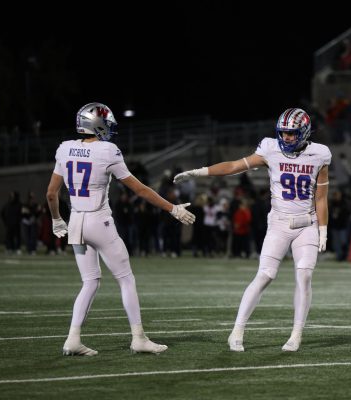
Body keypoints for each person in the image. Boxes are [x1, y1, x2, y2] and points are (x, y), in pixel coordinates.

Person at [174, 108, 330, 352]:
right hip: (279, 222)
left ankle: (296, 334)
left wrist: (323, 229)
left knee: (305, 276)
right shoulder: (270, 149)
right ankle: (237, 330)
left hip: (306, 224)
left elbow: (321, 198)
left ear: (304, 132)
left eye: (291, 133)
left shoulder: (319, 154)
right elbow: (235, 166)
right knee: (265, 274)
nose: (286, 138)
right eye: (284, 133)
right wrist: (199, 171)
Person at [46, 102, 195, 356]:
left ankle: (73, 338)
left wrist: (56, 220)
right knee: (126, 279)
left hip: (75, 221)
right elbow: (140, 189)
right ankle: (138, 338)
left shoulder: (64, 149)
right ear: (98, 124)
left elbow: (51, 194)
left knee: (89, 282)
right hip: (98, 221)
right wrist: (172, 208)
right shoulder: (107, 150)